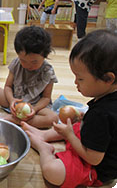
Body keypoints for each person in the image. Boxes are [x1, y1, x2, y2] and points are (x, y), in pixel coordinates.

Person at [22, 30, 117, 187]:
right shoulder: (107, 96)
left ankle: (43, 147)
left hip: (95, 169)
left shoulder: (103, 114)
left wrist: (69, 135)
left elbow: (94, 159)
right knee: (76, 125)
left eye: (80, 78)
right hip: (93, 143)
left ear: (107, 78)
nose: (75, 83)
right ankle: (44, 134)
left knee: (52, 171)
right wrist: (81, 119)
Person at [0, 26, 58, 128]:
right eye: (23, 60)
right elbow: (8, 87)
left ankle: (12, 119)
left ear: (45, 55)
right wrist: (11, 100)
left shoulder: (48, 71)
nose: (28, 65)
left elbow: (46, 98)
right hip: (14, 100)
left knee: (52, 118)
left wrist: (34, 109)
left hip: (35, 105)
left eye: (34, 62)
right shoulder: (16, 64)